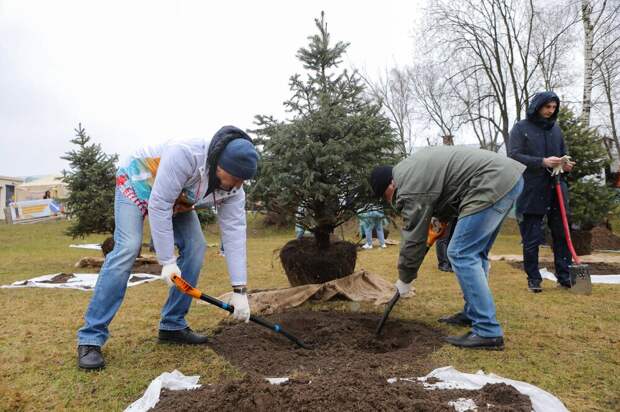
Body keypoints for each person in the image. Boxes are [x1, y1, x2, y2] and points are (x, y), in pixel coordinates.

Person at [76, 126, 259, 370]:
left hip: (176, 197)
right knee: (128, 247)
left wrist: (239, 290)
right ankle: (90, 338)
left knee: (195, 247)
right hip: (138, 181)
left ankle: (172, 325)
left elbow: (235, 233)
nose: (236, 184)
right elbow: (159, 205)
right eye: (233, 177)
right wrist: (167, 261)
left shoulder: (234, 189)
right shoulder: (185, 154)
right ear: (217, 163)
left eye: (242, 180)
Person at [370, 146, 525, 350]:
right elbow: (447, 192)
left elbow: (413, 238)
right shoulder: (412, 170)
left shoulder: (408, 185)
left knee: (461, 253)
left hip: (490, 182)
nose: (388, 201)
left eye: (385, 195)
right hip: (506, 178)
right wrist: (440, 221)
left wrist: (405, 278)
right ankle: (473, 313)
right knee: (476, 254)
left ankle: (488, 331)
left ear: (390, 184)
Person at [508, 91, 575, 292]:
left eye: (554, 107)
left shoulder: (556, 129)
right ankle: (534, 280)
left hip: (556, 187)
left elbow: (563, 153)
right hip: (531, 189)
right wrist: (541, 162)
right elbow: (514, 155)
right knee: (532, 237)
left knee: (562, 235)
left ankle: (564, 277)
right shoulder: (521, 128)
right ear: (537, 106)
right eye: (547, 107)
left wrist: (565, 165)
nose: (550, 111)